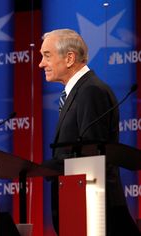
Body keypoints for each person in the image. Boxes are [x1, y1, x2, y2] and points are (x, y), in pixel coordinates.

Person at [39, 29, 140, 236]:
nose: (41, 63)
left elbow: (91, 154)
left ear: (69, 58)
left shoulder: (91, 91)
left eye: (46, 56)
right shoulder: (78, 92)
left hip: (96, 210)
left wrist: (40, 168)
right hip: (79, 204)